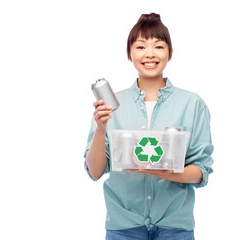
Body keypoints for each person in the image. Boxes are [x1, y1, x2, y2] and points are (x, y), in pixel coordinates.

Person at [84, 13, 213, 240]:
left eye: (159, 46)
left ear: (170, 53)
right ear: (129, 53)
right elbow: (94, 172)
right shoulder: (111, 105)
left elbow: (200, 172)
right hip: (124, 227)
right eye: (141, 46)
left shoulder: (192, 105)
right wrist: (101, 129)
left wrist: (167, 173)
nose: (150, 54)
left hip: (175, 227)